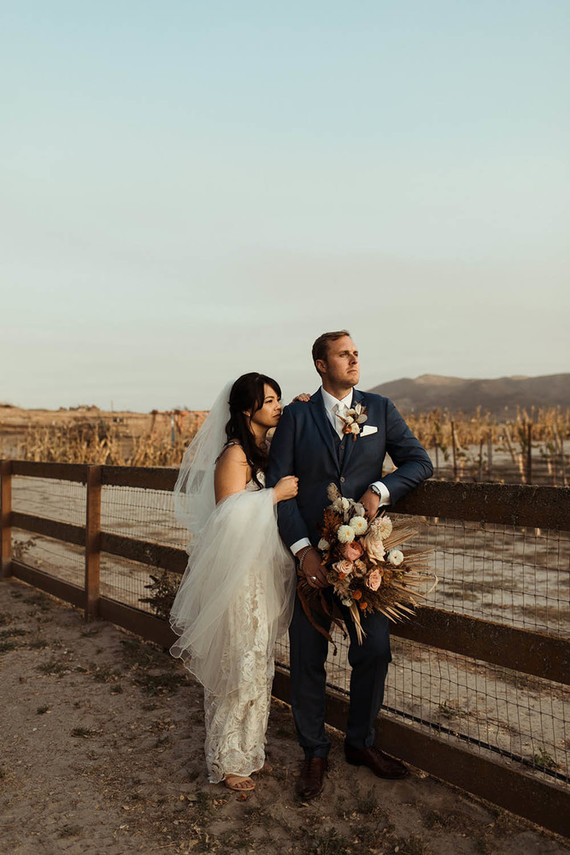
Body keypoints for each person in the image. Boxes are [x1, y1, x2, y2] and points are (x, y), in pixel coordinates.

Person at [266, 330, 434, 800]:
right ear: (321, 364)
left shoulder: (379, 409)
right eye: (344, 354)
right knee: (307, 654)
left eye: (356, 352)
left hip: (364, 557)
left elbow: (419, 462)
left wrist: (380, 491)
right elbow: (280, 489)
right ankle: (314, 751)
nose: (355, 359)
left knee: (374, 649)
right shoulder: (297, 416)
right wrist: (303, 551)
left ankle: (360, 743)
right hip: (309, 558)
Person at [170, 373, 300, 792]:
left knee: (257, 662)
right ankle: (227, 759)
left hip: (258, 573)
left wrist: (300, 405)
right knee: (237, 663)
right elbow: (226, 518)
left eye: (279, 398)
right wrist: (273, 497)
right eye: (270, 400)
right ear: (248, 410)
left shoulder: (257, 451)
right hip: (237, 577)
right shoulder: (233, 456)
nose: (277, 406)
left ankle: (247, 750)